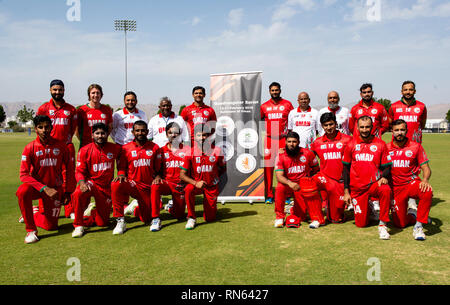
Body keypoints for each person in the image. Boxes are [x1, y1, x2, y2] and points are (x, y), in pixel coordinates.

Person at [16, 115, 75, 243]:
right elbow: (24, 175)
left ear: (51, 128)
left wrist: (68, 191)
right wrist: (44, 188)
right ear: (36, 129)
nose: (44, 130)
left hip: (54, 190)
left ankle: (34, 213)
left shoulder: (61, 146)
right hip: (37, 188)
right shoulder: (29, 148)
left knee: (51, 227)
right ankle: (31, 230)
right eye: (40, 127)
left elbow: (69, 169)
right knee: (22, 191)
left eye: (47, 127)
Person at [342, 116, 393, 239]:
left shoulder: (380, 144)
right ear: (357, 128)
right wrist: (346, 191)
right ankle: (369, 207)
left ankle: (383, 224)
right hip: (358, 188)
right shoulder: (350, 144)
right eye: (362, 127)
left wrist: (384, 176)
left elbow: (388, 166)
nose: (365, 130)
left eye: (367, 127)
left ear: (372, 127)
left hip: (374, 184)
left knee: (385, 189)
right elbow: (345, 169)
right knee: (361, 224)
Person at [111, 120, 162, 234]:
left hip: (147, 187)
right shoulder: (125, 148)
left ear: (147, 132)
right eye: (137, 130)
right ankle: (120, 220)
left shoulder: (154, 147)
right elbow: (121, 168)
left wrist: (158, 176)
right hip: (133, 185)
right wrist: (121, 175)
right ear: (133, 132)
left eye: (143, 130)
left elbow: (158, 168)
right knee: (116, 184)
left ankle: (135, 208)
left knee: (146, 219)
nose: (140, 133)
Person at [71, 123, 122, 238]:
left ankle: (93, 212)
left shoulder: (114, 148)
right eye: (97, 133)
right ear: (92, 135)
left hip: (106, 188)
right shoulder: (85, 150)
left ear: (107, 134)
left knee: (102, 223)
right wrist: (82, 182)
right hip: (91, 184)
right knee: (78, 192)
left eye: (103, 133)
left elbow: (123, 159)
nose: (100, 136)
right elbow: (79, 171)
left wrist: (121, 173)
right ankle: (78, 225)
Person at [36, 79, 78, 218]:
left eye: (60, 90)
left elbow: (73, 128)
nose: (57, 92)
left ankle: (69, 208)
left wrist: (65, 141)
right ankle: (43, 207)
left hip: (66, 146)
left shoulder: (71, 109)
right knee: (48, 175)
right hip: (49, 147)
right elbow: (40, 128)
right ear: (50, 90)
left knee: (69, 176)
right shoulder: (43, 108)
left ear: (64, 90)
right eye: (55, 90)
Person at [387, 119, 433, 240]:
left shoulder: (416, 146)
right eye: (396, 130)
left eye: (402, 130)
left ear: (406, 131)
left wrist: (425, 180)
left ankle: (418, 226)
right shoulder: (386, 148)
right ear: (392, 131)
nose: (399, 132)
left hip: (411, 183)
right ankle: (413, 214)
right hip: (396, 188)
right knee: (399, 224)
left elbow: (426, 168)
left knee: (426, 190)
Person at [273, 131, 324, 229]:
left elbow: (316, 170)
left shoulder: (307, 153)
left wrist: (308, 182)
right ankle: (279, 217)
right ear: (286, 142)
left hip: (302, 186)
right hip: (288, 184)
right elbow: (279, 176)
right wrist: (289, 183)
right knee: (280, 187)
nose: (291, 144)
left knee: (301, 217)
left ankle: (311, 215)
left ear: (299, 142)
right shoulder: (281, 156)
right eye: (289, 142)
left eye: (294, 142)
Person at [179, 124, 226, 230]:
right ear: (194, 137)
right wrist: (196, 183)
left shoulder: (217, 150)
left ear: (209, 136)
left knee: (210, 218)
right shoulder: (190, 152)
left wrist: (213, 178)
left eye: (205, 135)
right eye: (199, 135)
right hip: (196, 185)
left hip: (211, 186)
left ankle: (211, 208)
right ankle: (191, 217)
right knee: (188, 189)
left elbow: (222, 168)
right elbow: (182, 174)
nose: (202, 138)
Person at [310, 112, 352, 223]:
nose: (328, 127)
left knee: (336, 219)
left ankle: (333, 206)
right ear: (322, 126)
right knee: (306, 184)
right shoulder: (317, 142)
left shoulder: (347, 140)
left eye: (331, 124)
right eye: (326, 125)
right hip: (324, 178)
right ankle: (314, 213)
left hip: (341, 182)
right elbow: (307, 156)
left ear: (336, 124)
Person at [150, 122, 191, 229]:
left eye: (176, 133)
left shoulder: (187, 150)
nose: (173, 135)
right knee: (155, 185)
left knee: (179, 216)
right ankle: (156, 219)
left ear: (180, 133)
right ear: (166, 134)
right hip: (167, 184)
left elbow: (190, 170)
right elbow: (156, 169)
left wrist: (186, 183)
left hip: (180, 186)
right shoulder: (161, 150)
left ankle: (171, 207)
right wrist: (157, 177)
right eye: (170, 133)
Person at [260, 82, 294, 204]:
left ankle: (287, 195)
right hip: (269, 140)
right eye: (272, 90)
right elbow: (257, 120)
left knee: (285, 167)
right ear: (269, 91)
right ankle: (269, 195)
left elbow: (292, 120)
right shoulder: (264, 106)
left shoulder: (287, 104)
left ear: (280, 90)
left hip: (283, 139)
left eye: (276, 90)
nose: (275, 92)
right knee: (268, 168)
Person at [76, 84, 113, 148]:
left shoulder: (107, 109)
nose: (95, 95)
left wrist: (102, 138)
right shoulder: (81, 110)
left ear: (101, 95)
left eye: (98, 93)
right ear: (89, 95)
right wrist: (84, 140)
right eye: (93, 93)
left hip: (102, 146)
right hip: (86, 146)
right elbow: (77, 130)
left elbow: (109, 128)